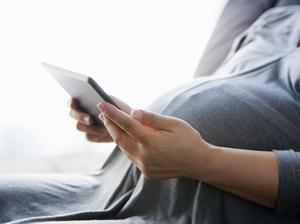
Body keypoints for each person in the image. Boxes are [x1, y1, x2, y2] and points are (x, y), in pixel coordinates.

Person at [1, 6, 300, 224]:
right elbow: (230, 98)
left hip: (186, 213)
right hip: (110, 187)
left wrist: (202, 161)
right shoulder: (274, 17)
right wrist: (135, 126)